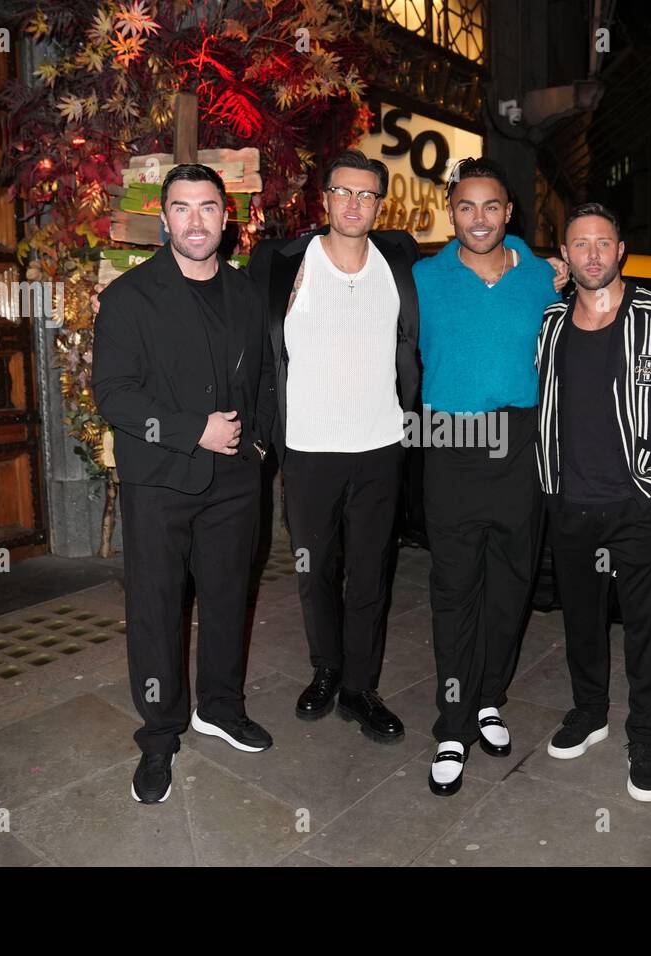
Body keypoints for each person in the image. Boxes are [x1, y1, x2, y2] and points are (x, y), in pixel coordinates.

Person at [91, 163, 276, 804]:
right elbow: (112, 396)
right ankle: (160, 733)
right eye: (182, 208)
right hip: (160, 480)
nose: (195, 221)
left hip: (234, 479)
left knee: (228, 598)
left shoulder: (249, 294)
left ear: (227, 218)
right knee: (156, 611)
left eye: (207, 208)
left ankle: (219, 708)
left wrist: (255, 444)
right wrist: (191, 431)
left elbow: (267, 382)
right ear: (164, 217)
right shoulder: (128, 298)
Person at [536, 202, 651, 802]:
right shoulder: (552, 324)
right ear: (566, 255)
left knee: (646, 628)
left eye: (601, 243)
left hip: (638, 503)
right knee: (581, 621)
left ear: (620, 251)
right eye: (579, 244)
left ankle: (645, 738)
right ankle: (590, 714)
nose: (591, 254)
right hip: (570, 501)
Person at [247, 149, 418, 744]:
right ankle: (327, 669)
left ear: (379, 203)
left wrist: (536, 262)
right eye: (343, 192)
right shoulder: (281, 263)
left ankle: (360, 689)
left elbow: (475, 256)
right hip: (309, 446)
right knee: (315, 570)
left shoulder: (399, 259)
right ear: (324, 198)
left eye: (366, 195)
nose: (354, 204)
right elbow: (249, 343)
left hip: (380, 445)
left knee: (371, 574)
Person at [412, 157, 563, 796]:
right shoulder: (422, 276)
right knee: (454, 588)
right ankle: (452, 721)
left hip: (520, 441)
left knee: (511, 584)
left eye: (491, 207)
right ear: (452, 210)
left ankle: (488, 700)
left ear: (509, 213)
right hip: (450, 442)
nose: (479, 218)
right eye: (466, 206)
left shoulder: (540, 279)